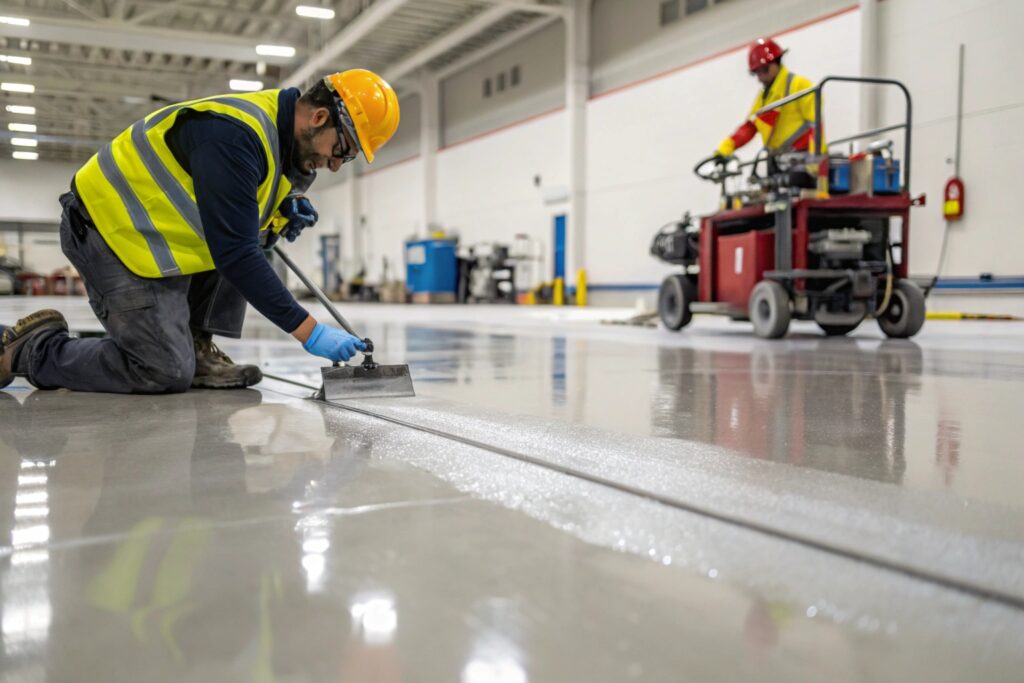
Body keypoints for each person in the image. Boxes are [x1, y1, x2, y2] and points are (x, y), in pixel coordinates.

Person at [0, 69, 400, 394]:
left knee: (252, 242)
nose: (335, 165)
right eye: (343, 151)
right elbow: (236, 254)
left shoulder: (292, 150)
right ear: (319, 118)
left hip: (155, 237)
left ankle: (196, 345)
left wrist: (279, 215)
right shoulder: (235, 135)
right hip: (109, 232)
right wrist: (309, 332)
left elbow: (246, 229)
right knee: (163, 370)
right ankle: (32, 350)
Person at [716, 37, 818, 160]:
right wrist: (726, 147)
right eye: (756, 73)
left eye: (764, 70)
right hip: (779, 161)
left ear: (777, 61)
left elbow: (816, 124)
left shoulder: (799, 85)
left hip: (803, 158)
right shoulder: (765, 96)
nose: (760, 78)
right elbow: (750, 126)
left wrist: (816, 158)